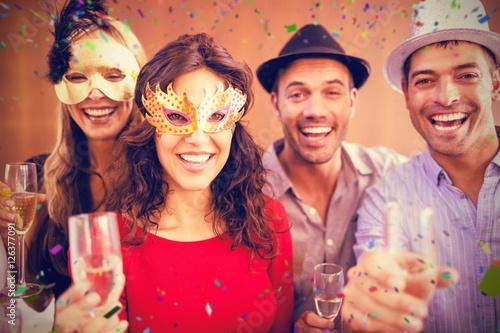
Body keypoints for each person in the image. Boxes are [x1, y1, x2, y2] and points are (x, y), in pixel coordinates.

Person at [103, 32, 294, 332]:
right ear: (152, 126)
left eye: (217, 115)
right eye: (177, 117)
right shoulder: (111, 239)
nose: (197, 138)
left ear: (233, 126)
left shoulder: (269, 220)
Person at [342, 0, 500, 332]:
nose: (446, 96)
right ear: (406, 93)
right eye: (425, 80)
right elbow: (377, 265)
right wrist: (374, 295)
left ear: (495, 84)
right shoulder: (386, 199)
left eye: (466, 74)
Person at [255, 24, 407, 331]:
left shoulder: (391, 173)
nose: (315, 110)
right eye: (298, 94)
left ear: (352, 101)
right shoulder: (242, 195)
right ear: (275, 104)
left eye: (332, 92)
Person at [0, 0, 147, 314]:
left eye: (113, 75)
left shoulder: (161, 178)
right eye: (78, 77)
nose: (95, 94)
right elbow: (29, 306)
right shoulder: (38, 178)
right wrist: (9, 237)